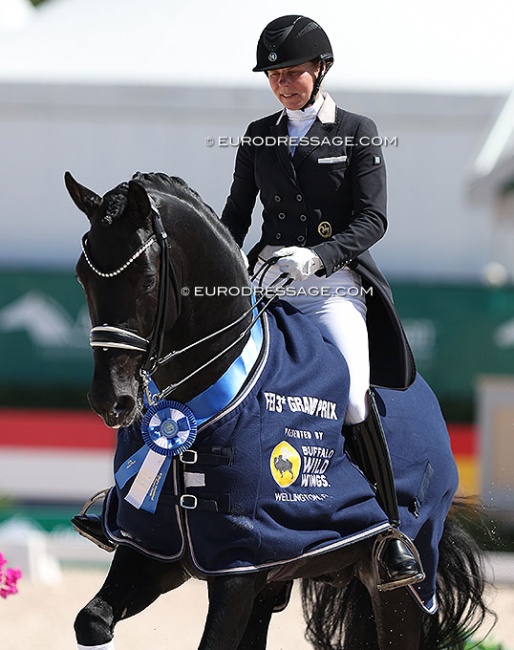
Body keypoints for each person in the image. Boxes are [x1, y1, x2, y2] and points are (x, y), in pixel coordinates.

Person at [220, 14, 424, 590]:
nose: (283, 82)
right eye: (274, 74)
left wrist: (320, 255)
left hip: (331, 286)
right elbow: (235, 217)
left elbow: (373, 218)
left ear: (320, 69)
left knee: (354, 391)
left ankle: (387, 532)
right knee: (215, 377)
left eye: (292, 71)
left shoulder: (357, 129)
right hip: (269, 281)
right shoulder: (258, 133)